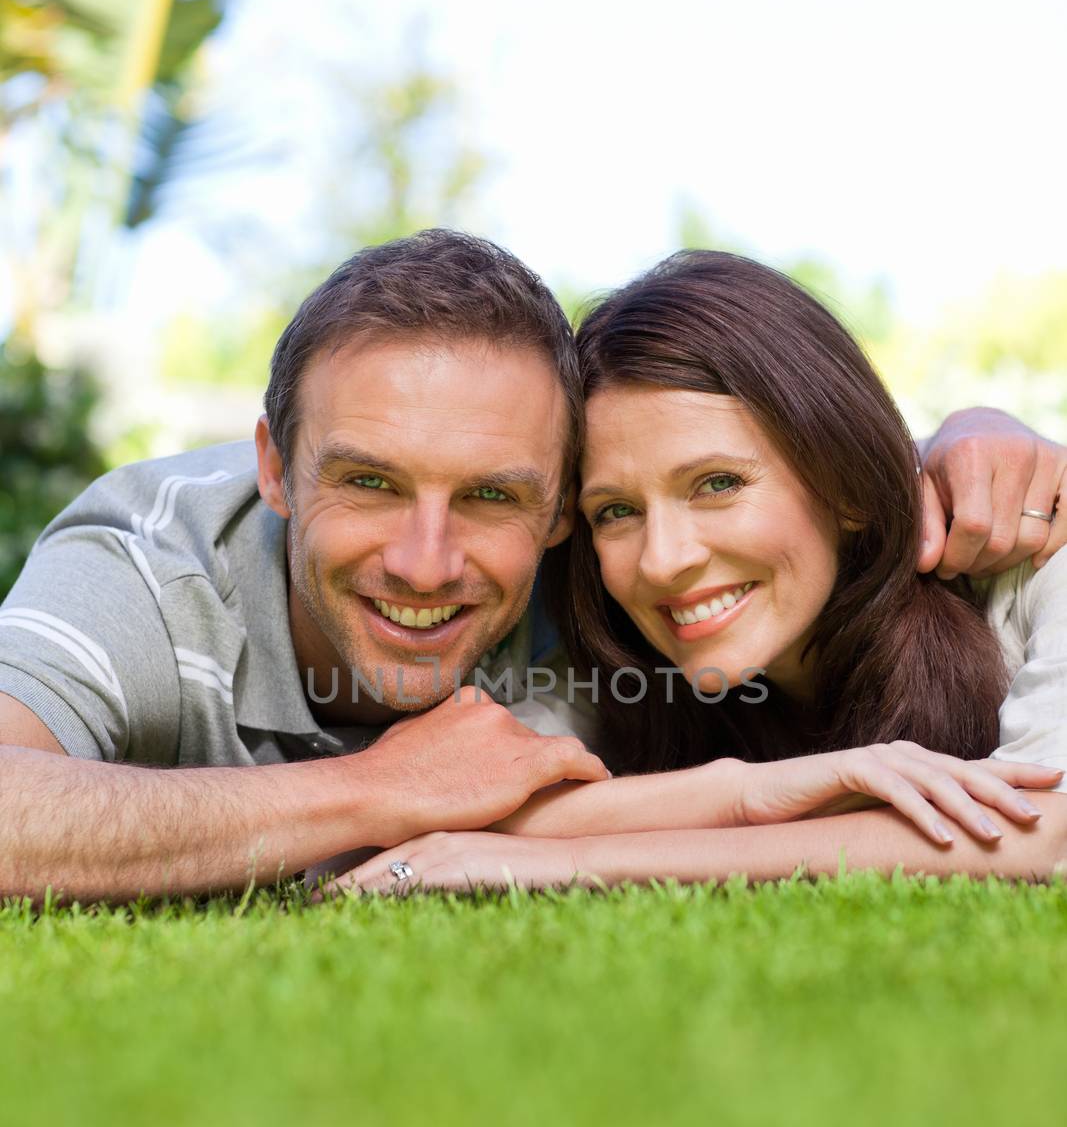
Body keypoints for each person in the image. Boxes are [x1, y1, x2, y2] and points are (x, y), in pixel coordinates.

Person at [0, 233, 1060, 904]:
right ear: (274, 465)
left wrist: (966, 433)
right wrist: (380, 791)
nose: (425, 562)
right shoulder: (149, 570)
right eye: (368, 481)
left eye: (492, 495)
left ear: (547, 508)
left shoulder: (609, 591)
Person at [343, 251, 1067, 894]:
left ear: (845, 483)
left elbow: (1045, 829)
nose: (663, 561)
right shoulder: (617, 664)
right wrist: (746, 793)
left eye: (717, 484)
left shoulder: (1039, 562)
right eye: (616, 511)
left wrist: (575, 864)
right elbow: (462, 803)